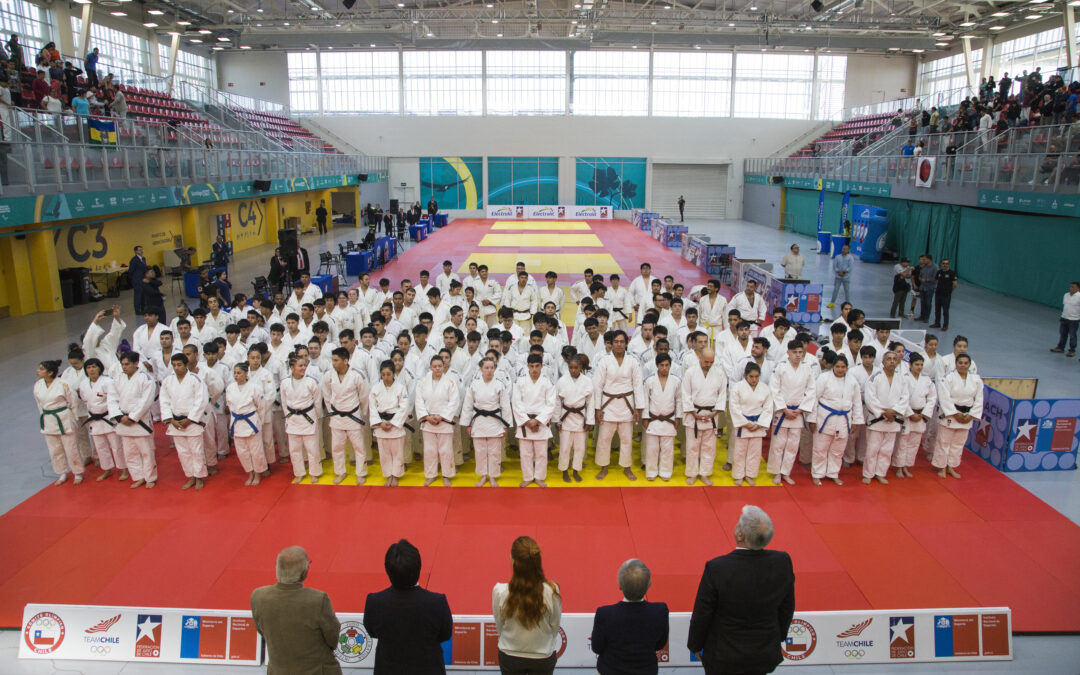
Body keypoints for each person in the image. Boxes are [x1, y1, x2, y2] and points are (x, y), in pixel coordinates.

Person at [687, 505, 795, 675]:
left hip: (724, 654)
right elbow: (787, 608)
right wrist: (777, 637)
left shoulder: (718, 568)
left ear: (740, 535)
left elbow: (703, 612)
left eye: (738, 523)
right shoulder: (782, 562)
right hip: (764, 651)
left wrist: (695, 645)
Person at [364, 540, 453, 675]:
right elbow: (445, 634)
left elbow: (372, 632)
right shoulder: (436, 602)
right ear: (419, 567)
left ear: (388, 570)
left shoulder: (375, 602)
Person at [251, 546, 342, 675]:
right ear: (304, 571)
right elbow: (332, 637)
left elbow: (262, 630)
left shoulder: (258, 596)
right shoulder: (317, 599)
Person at [492, 536, 562, 675]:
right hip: (542, 656)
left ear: (513, 560)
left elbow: (499, 626)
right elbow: (555, 626)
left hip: (510, 655)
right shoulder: (552, 591)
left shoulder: (500, 591)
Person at [590, 559, 669, 675]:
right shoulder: (660, 611)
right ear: (649, 584)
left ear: (619, 585)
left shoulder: (605, 614)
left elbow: (597, 648)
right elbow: (660, 644)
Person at [593, 331, 644, 481]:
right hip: (608, 405)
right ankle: (604, 467)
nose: (619, 344)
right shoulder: (604, 361)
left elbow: (638, 386)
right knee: (604, 438)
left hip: (627, 405)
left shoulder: (633, 361)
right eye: (616, 342)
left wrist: (638, 408)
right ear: (612, 343)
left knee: (627, 438)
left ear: (626, 343)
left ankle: (627, 468)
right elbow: (597, 386)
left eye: (622, 341)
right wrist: (597, 409)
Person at [810, 353, 864, 486]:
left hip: (844, 418)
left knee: (838, 449)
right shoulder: (823, 378)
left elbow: (857, 402)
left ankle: (833, 473)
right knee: (820, 448)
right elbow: (814, 398)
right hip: (825, 417)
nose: (840, 369)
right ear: (833, 367)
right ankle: (817, 474)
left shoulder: (852, 381)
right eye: (838, 366)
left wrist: (856, 421)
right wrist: (812, 419)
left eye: (843, 367)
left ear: (847, 367)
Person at [160, 353, 210, 490]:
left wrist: (190, 419)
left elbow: (201, 401)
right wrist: (170, 419)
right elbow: (164, 401)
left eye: (179, 365)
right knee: (183, 452)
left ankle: (199, 477)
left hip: (192, 421)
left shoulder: (196, 380)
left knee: (196, 450)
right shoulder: (167, 381)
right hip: (175, 422)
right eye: (174, 365)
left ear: (186, 364)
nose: (176, 368)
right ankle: (191, 476)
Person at [768, 340, 815, 485]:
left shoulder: (807, 369)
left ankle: (786, 472)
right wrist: (784, 409)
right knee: (778, 443)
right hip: (783, 411)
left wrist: (801, 409)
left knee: (793, 445)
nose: (798, 355)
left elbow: (811, 390)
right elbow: (774, 389)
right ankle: (776, 472)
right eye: (795, 352)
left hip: (798, 412)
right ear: (788, 352)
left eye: (800, 352)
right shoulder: (780, 368)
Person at [108, 351, 158, 489]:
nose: (124, 367)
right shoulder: (117, 379)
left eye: (127, 364)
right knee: (130, 453)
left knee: (146, 452)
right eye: (122, 364)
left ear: (136, 363)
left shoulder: (146, 378)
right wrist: (119, 416)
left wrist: (132, 417)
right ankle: (138, 476)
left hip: (139, 421)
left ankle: (150, 477)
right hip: (124, 421)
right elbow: (112, 399)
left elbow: (146, 401)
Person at [461, 356, 512, 487]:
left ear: (495, 369)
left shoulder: (499, 384)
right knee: (480, 451)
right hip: (478, 421)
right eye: (486, 368)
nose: (489, 371)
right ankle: (483, 475)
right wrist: (468, 424)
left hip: (494, 421)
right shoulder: (474, 384)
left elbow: (505, 406)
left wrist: (506, 425)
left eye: (491, 368)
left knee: (494, 451)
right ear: (481, 369)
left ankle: (493, 476)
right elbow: (468, 405)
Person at [681, 347, 727, 486]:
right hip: (694, 413)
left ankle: (705, 473)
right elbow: (685, 393)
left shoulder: (719, 373)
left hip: (711, 414)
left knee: (710, 447)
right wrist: (692, 412)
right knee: (692, 447)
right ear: (700, 358)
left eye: (711, 362)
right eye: (706, 361)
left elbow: (723, 393)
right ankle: (692, 474)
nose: (709, 364)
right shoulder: (690, 372)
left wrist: (716, 411)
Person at [862, 351, 908, 485]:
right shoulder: (874, 377)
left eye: (894, 359)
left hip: (893, 419)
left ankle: (880, 473)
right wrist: (883, 412)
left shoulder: (902, 379)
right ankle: (868, 474)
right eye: (889, 359)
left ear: (898, 362)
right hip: (878, 418)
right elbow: (870, 398)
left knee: (887, 450)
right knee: (872, 449)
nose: (892, 361)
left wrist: (894, 412)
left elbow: (905, 398)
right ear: (883, 362)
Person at [934, 353, 983, 479]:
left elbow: (979, 399)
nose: (963, 365)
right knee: (944, 442)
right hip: (951, 414)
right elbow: (944, 397)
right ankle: (942, 467)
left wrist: (971, 415)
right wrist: (955, 413)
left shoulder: (976, 380)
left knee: (958, 443)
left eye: (966, 363)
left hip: (967, 415)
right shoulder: (948, 378)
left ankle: (951, 466)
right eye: (960, 363)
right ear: (956, 364)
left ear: (969, 364)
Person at [35, 359, 83, 486]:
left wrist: (73, 417)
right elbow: (39, 404)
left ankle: (77, 472)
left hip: (64, 417)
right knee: (54, 449)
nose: (37, 371)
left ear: (50, 372)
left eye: (41, 369)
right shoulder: (38, 385)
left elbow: (74, 401)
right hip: (48, 418)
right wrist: (43, 415)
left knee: (71, 447)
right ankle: (62, 472)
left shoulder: (63, 384)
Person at [512, 353, 557, 488]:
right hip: (525, 423)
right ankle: (527, 477)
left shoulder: (547, 382)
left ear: (542, 366)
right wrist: (527, 421)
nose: (534, 369)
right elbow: (516, 403)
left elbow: (551, 404)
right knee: (525, 453)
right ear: (527, 366)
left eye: (537, 366)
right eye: (531, 366)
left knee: (541, 453)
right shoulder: (520, 381)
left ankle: (539, 477)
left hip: (540, 423)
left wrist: (537, 420)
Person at [416, 355, 461, 487]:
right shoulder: (422, 382)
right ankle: (431, 475)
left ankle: (447, 475)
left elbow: (454, 402)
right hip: (428, 421)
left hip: (444, 421)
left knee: (445, 450)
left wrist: (442, 416)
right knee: (429, 450)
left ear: (444, 366)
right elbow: (418, 401)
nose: (437, 369)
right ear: (430, 367)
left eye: (439, 366)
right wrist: (426, 416)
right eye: (434, 366)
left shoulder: (450, 382)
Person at [728, 362, 774, 486]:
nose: (754, 379)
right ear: (745, 375)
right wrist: (746, 423)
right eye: (751, 376)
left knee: (755, 452)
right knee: (740, 451)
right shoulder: (737, 387)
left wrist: (759, 424)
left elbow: (768, 408)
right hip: (743, 423)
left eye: (757, 376)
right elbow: (734, 407)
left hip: (758, 424)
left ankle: (749, 475)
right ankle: (738, 475)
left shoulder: (764, 388)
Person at [226, 362, 270, 486]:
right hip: (237, 422)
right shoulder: (230, 388)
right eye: (234, 373)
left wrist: (259, 421)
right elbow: (230, 406)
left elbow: (261, 406)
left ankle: (257, 473)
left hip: (251, 421)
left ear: (246, 373)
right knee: (242, 451)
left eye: (239, 373)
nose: (236, 375)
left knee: (256, 451)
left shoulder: (255, 387)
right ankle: (250, 472)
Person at [894, 353, 936, 479]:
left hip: (920, 414)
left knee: (914, 443)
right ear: (910, 365)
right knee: (902, 442)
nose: (919, 367)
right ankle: (899, 467)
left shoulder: (927, 380)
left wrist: (923, 414)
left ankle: (906, 465)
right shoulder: (904, 378)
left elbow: (932, 398)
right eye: (917, 364)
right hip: (907, 414)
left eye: (921, 365)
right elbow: (901, 397)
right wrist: (910, 413)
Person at [370, 360, 411, 486]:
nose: (386, 377)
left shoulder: (400, 388)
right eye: (383, 374)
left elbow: (404, 407)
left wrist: (393, 422)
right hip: (381, 425)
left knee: (397, 452)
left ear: (394, 374)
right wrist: (380, 423)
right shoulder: (376, 388)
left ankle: (396, 475)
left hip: (395, 425)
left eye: (388, 374)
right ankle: (388, 475)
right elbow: (372, 407)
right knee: (384, 453)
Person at [1052, 281, 1080, 357]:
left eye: (1073, 287)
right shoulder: (1066, 295)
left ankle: (1072, 351)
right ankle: (1060, 347)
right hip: (1064, 318)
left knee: (1072, 335)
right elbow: (1066, 307)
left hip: (1074, 320)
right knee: (1062, 334)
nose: (1071, 288)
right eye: (1070, 286)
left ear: (1078, 288)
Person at [930, 258, 958, 331]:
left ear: (948, 264)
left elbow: (955, 284)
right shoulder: (939, 272)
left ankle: (945, 326)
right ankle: (937, 323)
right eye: (943, 263)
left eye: (946, 264)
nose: (945, 265)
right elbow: (936, 281)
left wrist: (949, 290)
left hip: (946, 295)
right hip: (938, 294)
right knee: (937, 309)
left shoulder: (951, 273)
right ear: (941, 264)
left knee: (945, 311)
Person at [915, 254, 939, 322]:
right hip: (922, 287)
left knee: (928, 303)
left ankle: (926, 317)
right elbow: (920, 275)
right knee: (922, 302)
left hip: (930, 288)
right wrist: (920, 278)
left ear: (929, 259)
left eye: (924, 259)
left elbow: (936, 278)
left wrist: (926, 280)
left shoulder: (935, 267)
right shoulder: (923, 267)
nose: (923, 261)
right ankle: (922, 316)